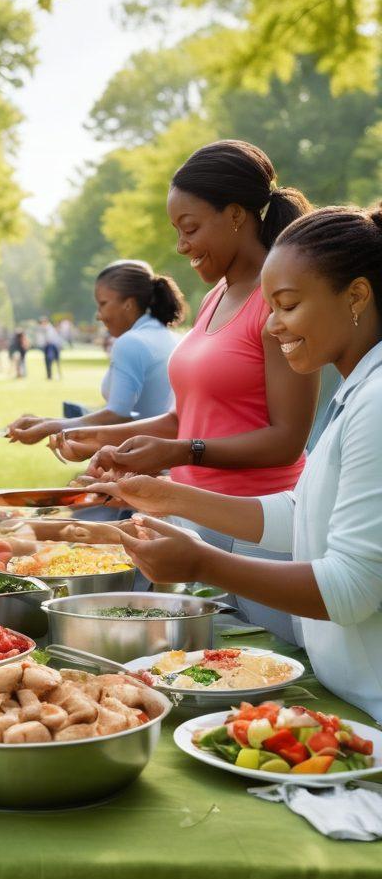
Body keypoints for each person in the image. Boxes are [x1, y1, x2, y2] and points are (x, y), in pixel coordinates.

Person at [101, 205, 382, 720]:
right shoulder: (358, 388)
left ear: (357, 295)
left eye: (288, 305)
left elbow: (353, 588)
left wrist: (203, 562)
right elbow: (304, 514)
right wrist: (170, 496)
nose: (272, 326)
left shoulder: (377, 399)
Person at [52, 141, 321, 641]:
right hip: (193, 519)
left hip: (262, 530)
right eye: (176, 230)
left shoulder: (277, 302)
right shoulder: (215, 295)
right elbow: (185, 418)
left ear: (236, 215)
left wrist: (181, 452)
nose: (180, 246)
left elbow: (286, 438)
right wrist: (104, 443)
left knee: (278, 665)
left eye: (190, 227)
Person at [7, 261, 185, 444]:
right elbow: (139, 413)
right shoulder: (172, 337)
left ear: (128, 304)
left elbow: (118, 415)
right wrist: (47, 422)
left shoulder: (131, 342)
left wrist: (49, 428)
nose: (98, 315)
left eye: (103, 304)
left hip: (144, 462)